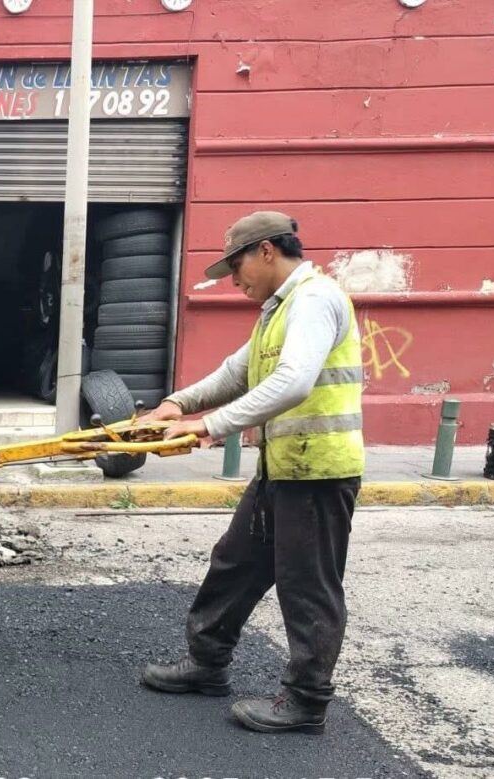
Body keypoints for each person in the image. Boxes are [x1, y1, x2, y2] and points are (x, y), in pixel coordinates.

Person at [139, 211, 364, 735]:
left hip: (319, 474)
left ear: (266, 251)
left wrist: (206, 427)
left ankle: (307, 700)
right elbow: (238, 372)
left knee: (307, 587)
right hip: (282, 468)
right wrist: (177, 403)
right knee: (236, 562)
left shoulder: (313, 299)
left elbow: (292, 382)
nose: (233, 279)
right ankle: (207, 662)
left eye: (235, 266)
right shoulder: (277, 310)